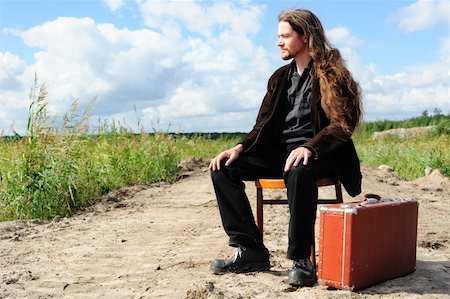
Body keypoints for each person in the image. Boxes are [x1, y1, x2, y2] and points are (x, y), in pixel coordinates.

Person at [208, 9, 363, 287]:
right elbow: (263, 124)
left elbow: (343, 124)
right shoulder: (280, 77)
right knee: (223, 168)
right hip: (281, 152)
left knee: (299, 169)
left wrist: (311, 148)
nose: (279, 42)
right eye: (278, 36)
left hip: (323, 154)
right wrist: (239, 148)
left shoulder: (333, 74)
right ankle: (250, 249)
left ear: (305, 36)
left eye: (285, 36)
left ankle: (301, 260)